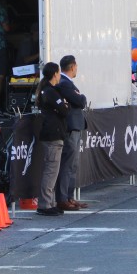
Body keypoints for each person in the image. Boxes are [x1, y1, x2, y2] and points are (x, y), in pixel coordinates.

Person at [34, 63, 70, 217]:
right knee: (51, 170)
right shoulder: (50, 91)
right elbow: (64, 110)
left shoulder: (47, 90)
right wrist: (65, 105)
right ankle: (45, 204)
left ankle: (49, 203)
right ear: (55, 74)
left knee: (53, 170)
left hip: (52, 133)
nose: (60, 75)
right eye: (59, 73)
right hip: (53, 134)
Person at [55, 55, 88, 212]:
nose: (76, 69)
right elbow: (80, 101)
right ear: (73, 66)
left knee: (73, 164)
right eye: (76, 67)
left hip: (75, 126)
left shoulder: (67, 83)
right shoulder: (64, 83)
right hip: (70, 126)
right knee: (68, 164)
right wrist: (81, 97)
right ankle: (62, 198)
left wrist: (80, 97)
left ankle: (69, 196)